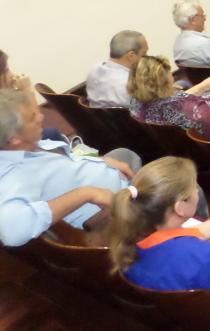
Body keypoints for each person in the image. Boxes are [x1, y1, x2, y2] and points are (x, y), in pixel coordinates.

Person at [0, 88, 138, 246]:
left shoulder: (27, 145)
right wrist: (87, 194)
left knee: (124, 154)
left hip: (112, 180)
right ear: (14, 139)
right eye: (32, 118)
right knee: (159, 172)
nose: (41, 116)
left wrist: (100, 160)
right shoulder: (12, 177)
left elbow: (68, 157)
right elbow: (13, 233)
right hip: (114, 210)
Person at [107, 156, 210, 292]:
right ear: (180, 207)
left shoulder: (129, 241)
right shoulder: (206, 257)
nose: (197, 191)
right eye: (194, 186)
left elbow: (170, 240)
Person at [128, 55, 210, 142]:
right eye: (169, 73)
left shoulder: (135, 103)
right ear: (164, 81)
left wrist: (201, 87)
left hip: (176, 146)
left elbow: (173, 101)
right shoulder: (190, 108)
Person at [86, 30, 149, 108]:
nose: (147, 58)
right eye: (144, 54)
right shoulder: (131, 85)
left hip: (95, 115)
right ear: (131, 56)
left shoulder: (94, 70)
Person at [172, 0, 210, 70]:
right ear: (193, 20)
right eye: (202, 15)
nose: (205, 19)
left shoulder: (178, 43)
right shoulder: (203, 44)